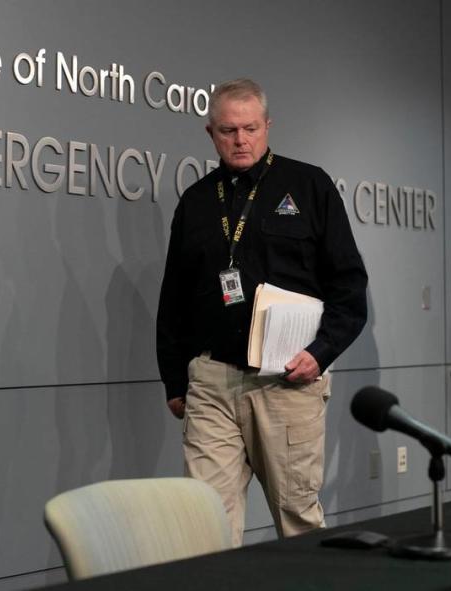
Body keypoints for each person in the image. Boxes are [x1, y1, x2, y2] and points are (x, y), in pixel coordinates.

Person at [156, 78, 368, 546]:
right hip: (211, 382)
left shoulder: (309, 185)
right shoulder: (195, 202)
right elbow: (174, 298)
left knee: (297, 520)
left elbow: (350, 287)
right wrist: (176, 379)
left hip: (287, 381)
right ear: (209, 132)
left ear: (268, 126)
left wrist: (321, 352)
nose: (240, 139)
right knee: (205, 524)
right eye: (228, 130)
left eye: (250, 128)